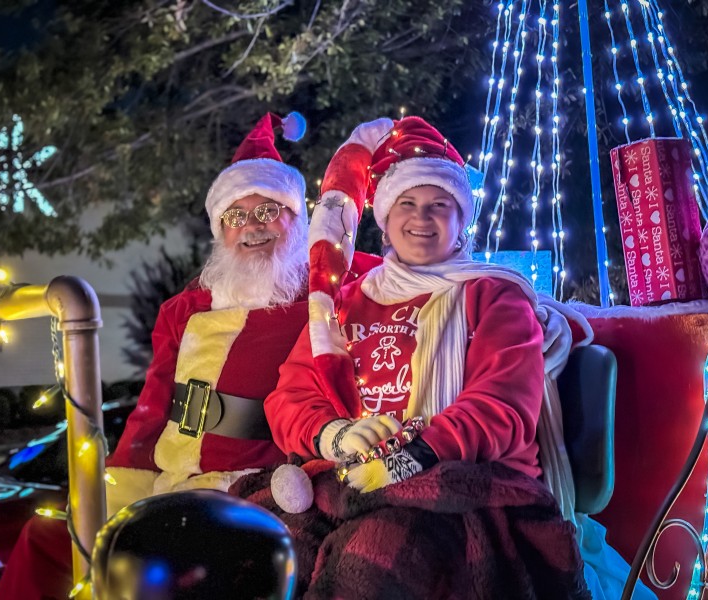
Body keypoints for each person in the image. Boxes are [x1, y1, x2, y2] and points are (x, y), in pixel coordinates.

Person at [231, 116, 591, 598]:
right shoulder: (345, 302)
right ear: (384, 216)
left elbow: (502, 408)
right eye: (407, 203)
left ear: (461, 221)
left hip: (462, 483)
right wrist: (335, 435)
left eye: (439, 205)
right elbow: (289, 398)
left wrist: (412, 455)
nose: (421, 218)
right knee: (257, 554)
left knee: (374, 558)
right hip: (346, 479)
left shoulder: (494, 297)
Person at [0, 111, 317, 600]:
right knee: (50, 538)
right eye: (235, 215)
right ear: (219, 231)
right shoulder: (183, 309)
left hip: (249, 488)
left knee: (150, 564)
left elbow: (400, 280)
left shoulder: (324, 295)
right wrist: (118, 484)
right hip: (167, 478)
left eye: (268, 210)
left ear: (297, 220)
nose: (251, 226)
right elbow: (150, 409)